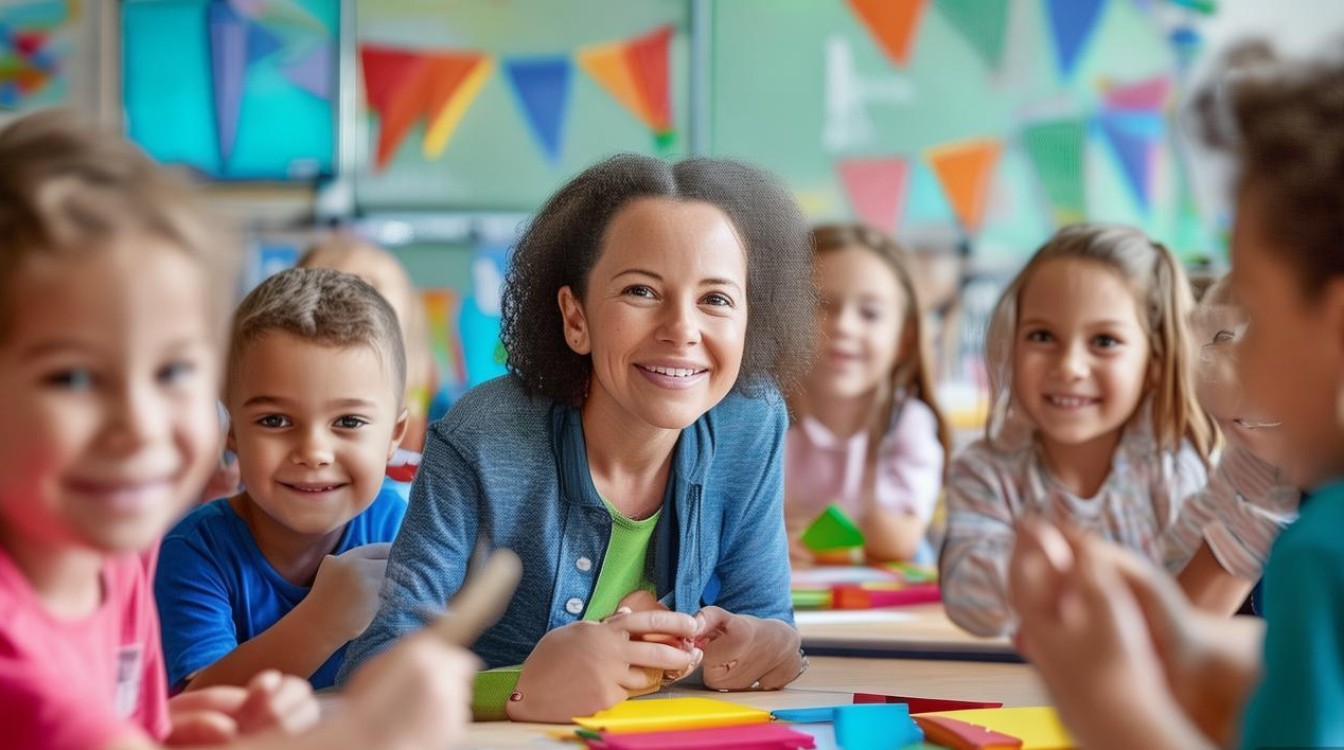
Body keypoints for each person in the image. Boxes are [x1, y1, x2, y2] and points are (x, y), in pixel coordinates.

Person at [0, 109, 473, 750]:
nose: (140, 426)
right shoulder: (30, 652)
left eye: (172, 370)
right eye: (74, 379)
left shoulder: (116, 568)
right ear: (234, 423)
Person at [339, 154, 816, 723]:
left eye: (716, 299)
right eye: (641, 291)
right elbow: (374, 672)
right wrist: (520, 691)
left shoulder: (751, 422)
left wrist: (772, 645)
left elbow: (766, 616)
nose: (682, 330)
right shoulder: (482, 440)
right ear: (576, 318)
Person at [1008, 44, 1344, 749]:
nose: (1232, 356)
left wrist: (1107, 703)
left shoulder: (1322, 551)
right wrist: (1186, 643)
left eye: (1252, 312)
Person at [940, 224, 1214, 637]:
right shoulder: (985, 470)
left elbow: (1189, 608)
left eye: (1104, 341)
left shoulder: (1172, 470)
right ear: (1011, 346)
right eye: (1043, 336)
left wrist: (1050, 572)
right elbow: (971, 603)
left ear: (1154, 361)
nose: (1069, 366)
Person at [156, 269, 411, 692]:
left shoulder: (397, 528)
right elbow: (198, 709)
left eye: (348, 421)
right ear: (232, 431)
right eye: (275, 420)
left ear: (393, 436)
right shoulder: (193, 554)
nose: (313, 452)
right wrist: (322, 620)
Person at [785, 223, 949, 564]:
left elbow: (897, 542)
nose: (844, 325)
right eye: (822, 305)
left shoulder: (908, 423)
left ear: (904, 340)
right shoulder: (760, 421)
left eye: (870, 313)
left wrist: (802, 534)